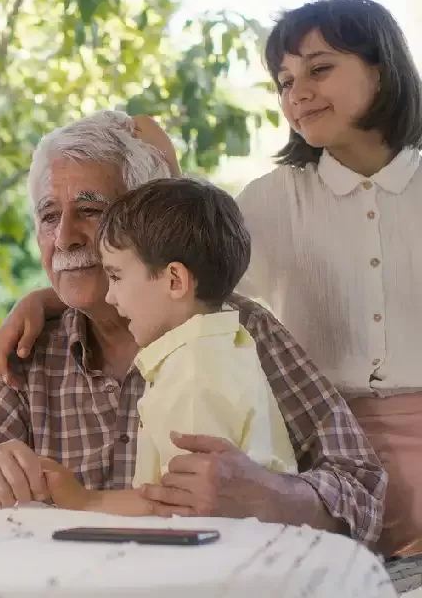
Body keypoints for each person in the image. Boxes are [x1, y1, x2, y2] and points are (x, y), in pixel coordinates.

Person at [0, 110, 386, 549]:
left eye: (90, 210)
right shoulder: (36, 343)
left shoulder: (235, 331)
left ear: (143, 220)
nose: (64, 237)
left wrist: (271, 494)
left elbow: (361, 485)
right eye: (48, 215)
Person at [234, 0, 422, 557]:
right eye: (285, 81)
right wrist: (51, 300)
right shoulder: (270, 200)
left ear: (382, 68)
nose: (298, 93)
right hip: (317, 459)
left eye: (320, 69)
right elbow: (181, 290)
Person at [40, 177, 297, 515]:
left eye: (116, 276)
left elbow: (184, 506)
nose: (109, 295)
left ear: (175, 281)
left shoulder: (192, 375)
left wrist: (86, 500)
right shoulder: (226, 348)